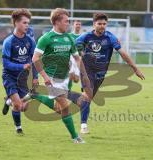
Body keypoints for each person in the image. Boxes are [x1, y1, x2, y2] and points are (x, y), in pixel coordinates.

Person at [75, 13, 145, 134]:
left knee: (89, 98)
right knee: (88, 94)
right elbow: (76, 47)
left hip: (101, 73)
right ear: (94, 24)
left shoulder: (110, 37)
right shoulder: (85, 37)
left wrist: (135, 68)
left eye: (104, 24)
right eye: (99, 24)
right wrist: (81, 56)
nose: (102, 26)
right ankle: (83, 125)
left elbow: (122, 53)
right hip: (87, 71)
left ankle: (79, 101)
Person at [31, 8, 91, 143]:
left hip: (64, 78)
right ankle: (75, 137)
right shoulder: (46, 38)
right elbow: (35, 59)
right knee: (65, 106)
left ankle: (35, 95)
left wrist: (84, 75)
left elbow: (77, 58)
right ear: (57, 22)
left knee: (59, 109)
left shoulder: (69, 37)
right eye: (66, 21)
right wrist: (44, 77)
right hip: (51, 78)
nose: (68, 23)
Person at [1, 8, 38, 134]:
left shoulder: (30, 41)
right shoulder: (8, 42)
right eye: (24, 22)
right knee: (18, 105)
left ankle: (8, 100)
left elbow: (34, 61)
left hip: (24, 77)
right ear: (16, 23)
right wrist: (21, 67)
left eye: (28, 23)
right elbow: (6, 64)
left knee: (24, 107)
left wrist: (35, 77)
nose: (27, 25)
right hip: (9, 76)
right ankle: (18, 128)